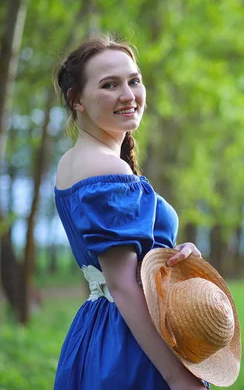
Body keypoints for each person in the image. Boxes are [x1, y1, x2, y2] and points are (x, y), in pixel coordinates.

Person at [53, 33, 211, 389]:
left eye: (134, 81)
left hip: (101, 330)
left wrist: (168, 257)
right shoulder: (105, 169)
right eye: (110, 85)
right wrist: (178, 377)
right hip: (130, 342)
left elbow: (125, 264)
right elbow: (123, 285)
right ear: (76, 99)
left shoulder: (77, 160)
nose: (128, 95)